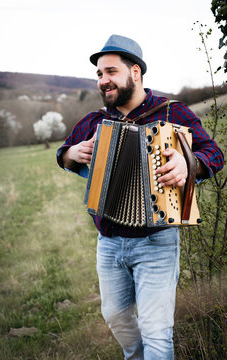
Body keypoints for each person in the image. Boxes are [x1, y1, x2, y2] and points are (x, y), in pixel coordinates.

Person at [56, 35, 224, 359]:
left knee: (156, 332)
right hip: (109, 240)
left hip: (156, 240)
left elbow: (213, 153)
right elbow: (63, 155)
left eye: (110, 72)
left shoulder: (172, 113)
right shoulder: (95, 122)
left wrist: (189, 164)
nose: (103, 81)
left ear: (135, 72)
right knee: (116, 317)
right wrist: (71, 153)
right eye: (99, 75)